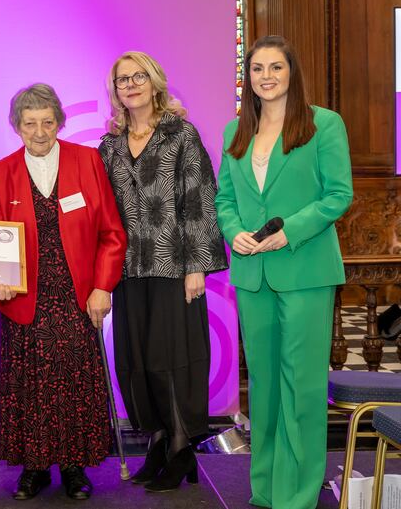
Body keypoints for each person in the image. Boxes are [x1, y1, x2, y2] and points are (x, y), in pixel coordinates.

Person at [215, 35, 352, 509]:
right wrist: (233, 231)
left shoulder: (323, 125)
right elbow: (225, 200)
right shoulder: (236, 130)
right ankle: (268, 489)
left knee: (302, 385)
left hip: (305, 270)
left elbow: (338, 195)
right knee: (267, 387)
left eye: (276, 67)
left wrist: (288, 231)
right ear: (247, 76)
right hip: (252, 276)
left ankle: (298, 493)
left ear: (292, 72)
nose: (266, 77)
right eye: (257, 69)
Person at [0, 83, 126, 501]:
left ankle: (74, 466)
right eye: (30, 123)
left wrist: (103, 287)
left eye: (48, 122)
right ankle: (33, 467)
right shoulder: (0, 171)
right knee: (28, 384)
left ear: (60, 122)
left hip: (76, 295)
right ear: (17, 127)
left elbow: (112, 234)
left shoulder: (87, 161)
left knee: (74, 381)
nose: (40, 131)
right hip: (24, 296)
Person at [98, 52, 228, 492]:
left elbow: (200, 201)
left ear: (154, 83)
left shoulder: (180, 135)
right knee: (136, 359)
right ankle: (155, 442)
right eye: (121, 80)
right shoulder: (109, 145)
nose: (130, 85)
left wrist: (197, 267)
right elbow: (101, 214)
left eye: (138, 77)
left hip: (174, 266)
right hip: (127, 271)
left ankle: (180, 446)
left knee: (172, 360)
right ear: (114, 90)